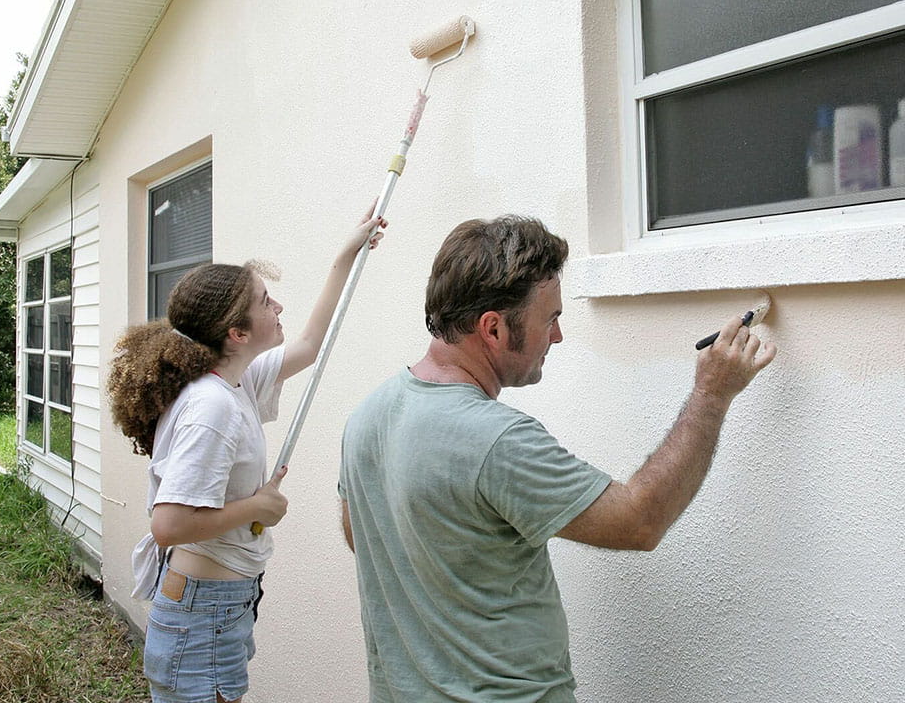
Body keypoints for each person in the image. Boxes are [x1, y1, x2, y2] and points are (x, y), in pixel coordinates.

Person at [338, 215, 776, 703]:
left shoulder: (367, 417)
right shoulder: (497, 441)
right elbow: (640, 522)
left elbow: (364, 536)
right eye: (550, 319)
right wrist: (711, 394)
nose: (559, 336)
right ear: (494, 328)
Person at [107, 205, 387, 703]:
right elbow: (168, 524)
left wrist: (346, 255)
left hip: (214, 608)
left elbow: (308, 345)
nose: (277, 306)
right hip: (203, 615)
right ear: (236, 333)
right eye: (265, 302)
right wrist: (258, 508)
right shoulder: (212, 406)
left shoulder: (233, 381)